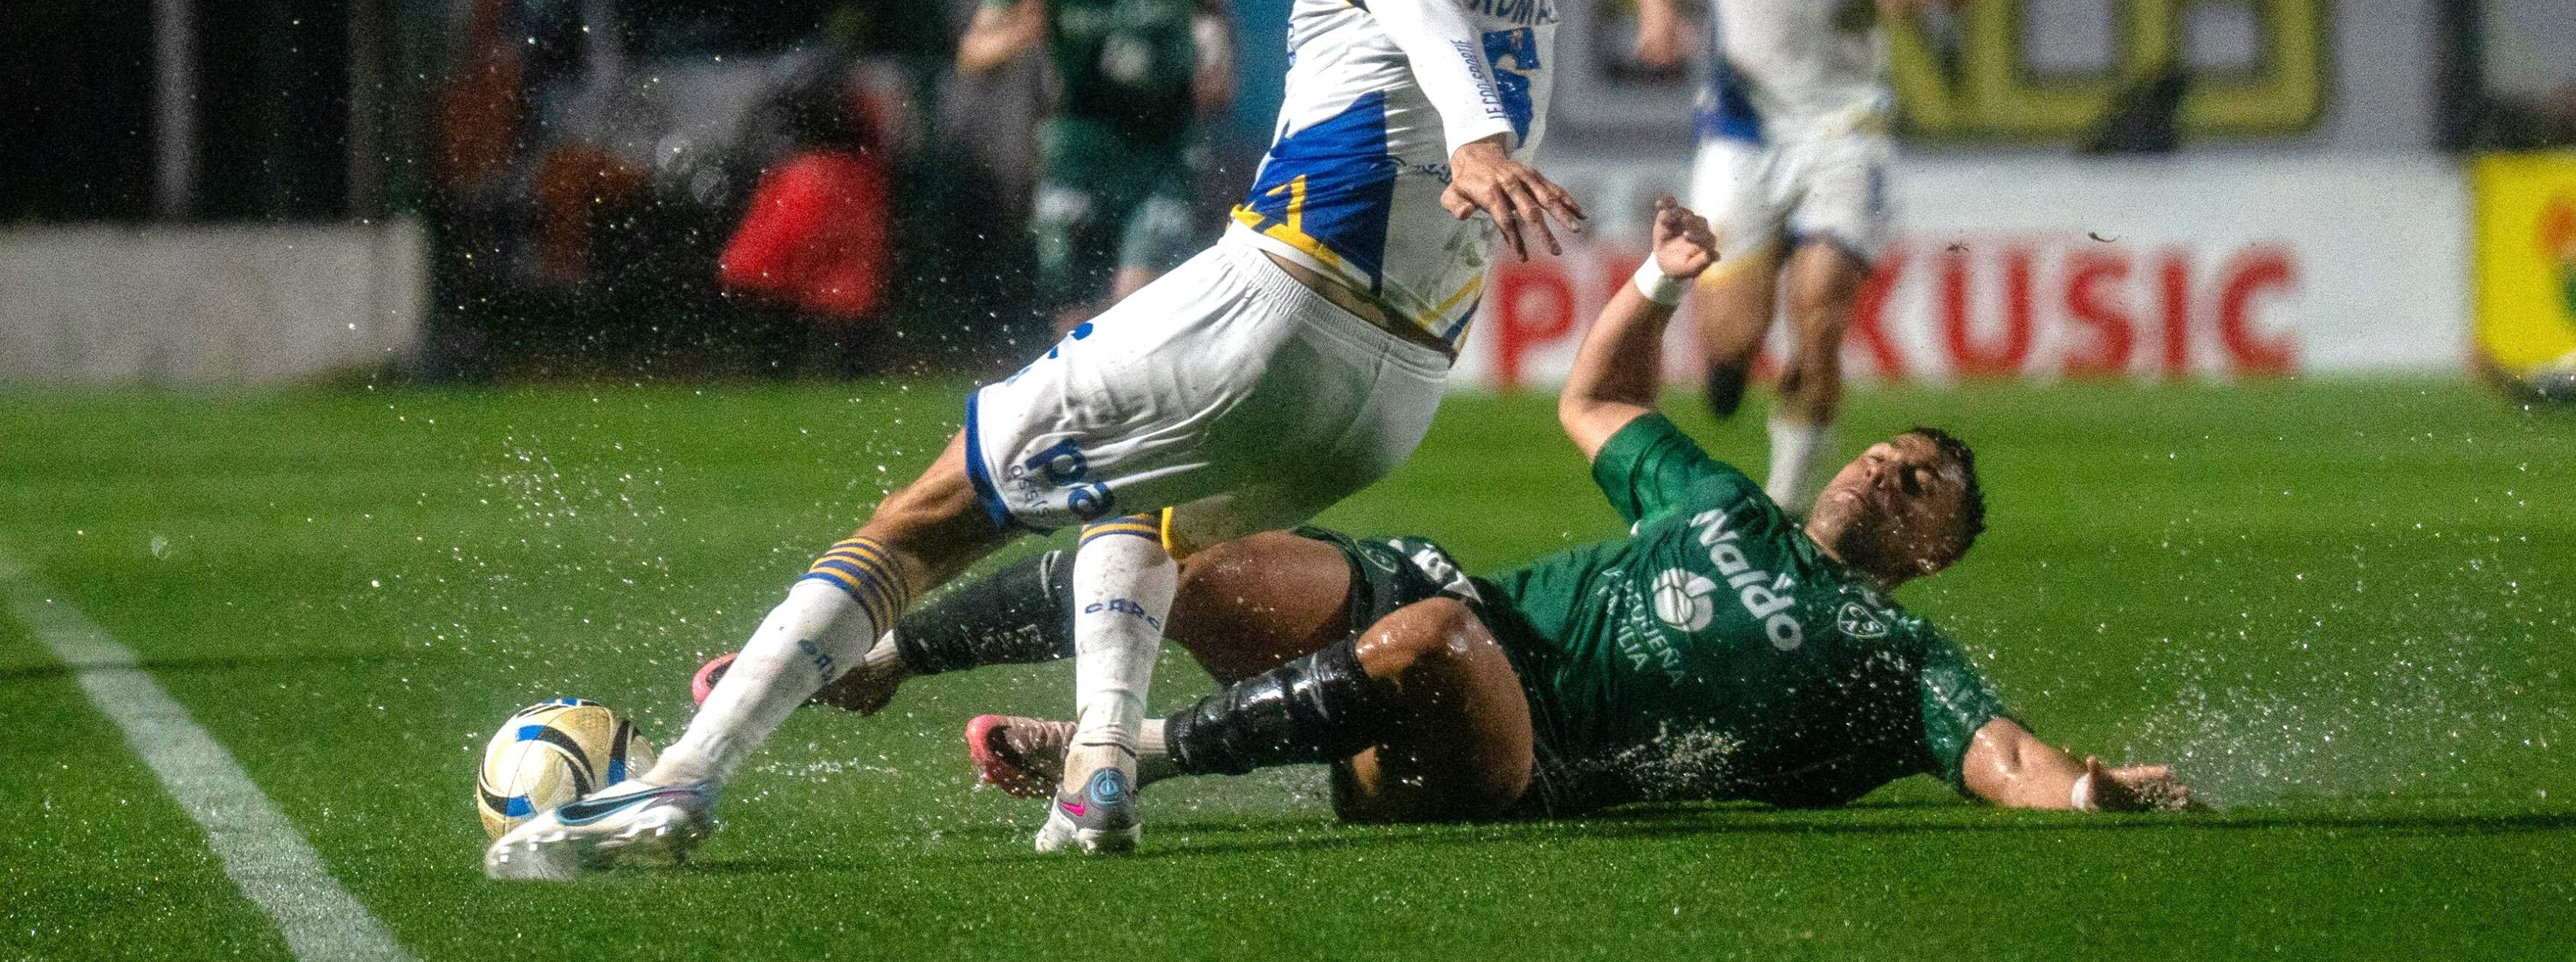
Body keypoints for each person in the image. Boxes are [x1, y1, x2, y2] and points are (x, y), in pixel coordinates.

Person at [483, 0, 1584, 876]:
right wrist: (1476, 134)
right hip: (1395, 388)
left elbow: (1421, 11)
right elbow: (1450, 21)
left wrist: (1471, 133)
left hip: (1279, 309)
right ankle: (1100, 769)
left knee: (927, 515)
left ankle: (676, 786)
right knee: (1141, 504)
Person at [836, 199, 2192, 823]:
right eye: (1884, 453)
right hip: (1458, 598)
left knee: (1430, 636)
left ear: (1932, 550)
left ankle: (1115, 751)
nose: (1876, 472)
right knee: (1191, 544)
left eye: (1915, 487)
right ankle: (893, 650)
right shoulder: (1726, 503)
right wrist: (1659, 284)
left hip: (1512, 750)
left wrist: (2091, 786)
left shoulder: (1894, 663)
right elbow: (1594, 399)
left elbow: (2003, 758)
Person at [1625, 0, 1992, 514]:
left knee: (1820, 315)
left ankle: (1786, 509)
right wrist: (1655, 9)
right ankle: (1728, 363)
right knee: (1731, 333)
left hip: (1843, 122)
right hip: (1740, 123)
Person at [957, 0, 1230, 333]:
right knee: (1077, 318)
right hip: (1074, 148)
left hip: (1163, 147)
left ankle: (1138, 410)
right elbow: (972, 51)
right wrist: (1018, 34)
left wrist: (1216, 65)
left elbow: (1209, 14)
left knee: (1137, 302)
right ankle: (1090, 412)